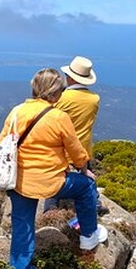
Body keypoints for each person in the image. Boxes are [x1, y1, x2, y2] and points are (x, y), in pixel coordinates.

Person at [0, 68, 108, 269]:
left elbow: (0, 144)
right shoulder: (58, 117)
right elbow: (76, 152)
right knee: (86, 187)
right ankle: (88, 237)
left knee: (22, 228)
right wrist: (84, 170)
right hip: (52, 183)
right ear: (55, 93)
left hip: (19, 182)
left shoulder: (16, 112)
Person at [43, 56, 100, 212]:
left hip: (61, 150)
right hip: (84, 149)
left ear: (70, 77)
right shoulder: (94, 99)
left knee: (55, 186)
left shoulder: (61, 98)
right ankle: (94, 205)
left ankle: (50, 214)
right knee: (87, 180)